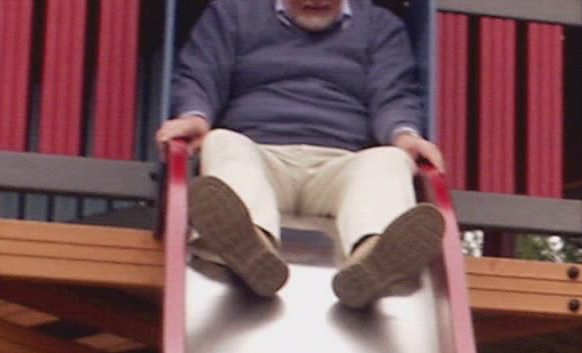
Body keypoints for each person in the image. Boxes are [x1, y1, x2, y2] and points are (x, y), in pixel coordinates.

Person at [154, 0, 449, 309]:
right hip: (260, 155)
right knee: (221, 142)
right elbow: (200, 74)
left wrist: (404, 135)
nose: (316, 1)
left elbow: (394, 93)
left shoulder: (380, 26)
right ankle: (251, 246)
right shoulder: (233, 13)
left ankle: (373, 258)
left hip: (340, 163)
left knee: (390, 159)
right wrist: (195, 116)